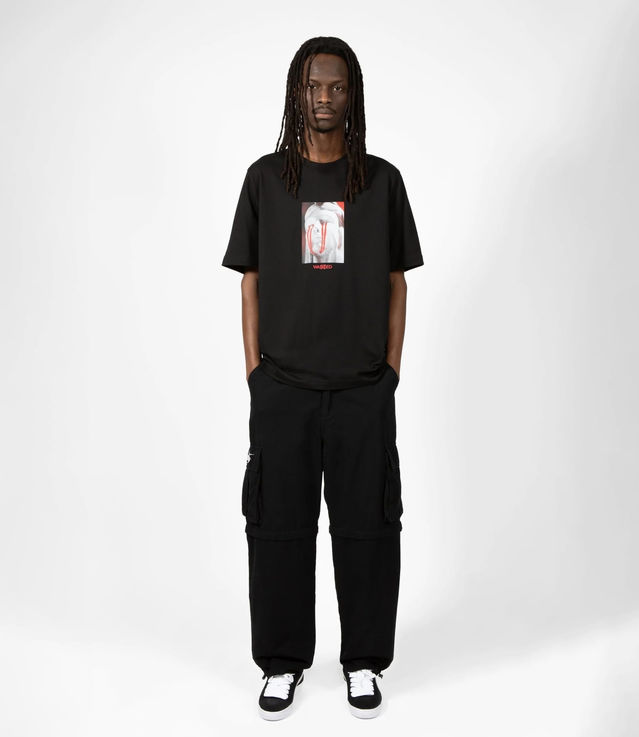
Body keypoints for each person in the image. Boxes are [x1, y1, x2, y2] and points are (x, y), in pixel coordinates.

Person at [221, 36, 424, 720]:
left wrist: (390, 372)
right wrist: (255, 375)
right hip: (282, 388)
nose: (325, 98)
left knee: (369, 528)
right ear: (296, 93)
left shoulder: (382, 182)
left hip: (363, 390)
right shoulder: (265, 180)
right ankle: (282, 663)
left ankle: (363, 659)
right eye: (313, 86)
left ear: (352, 95)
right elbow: (249, 281)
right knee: (277, 527)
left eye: (337, 86)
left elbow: (397, 282)